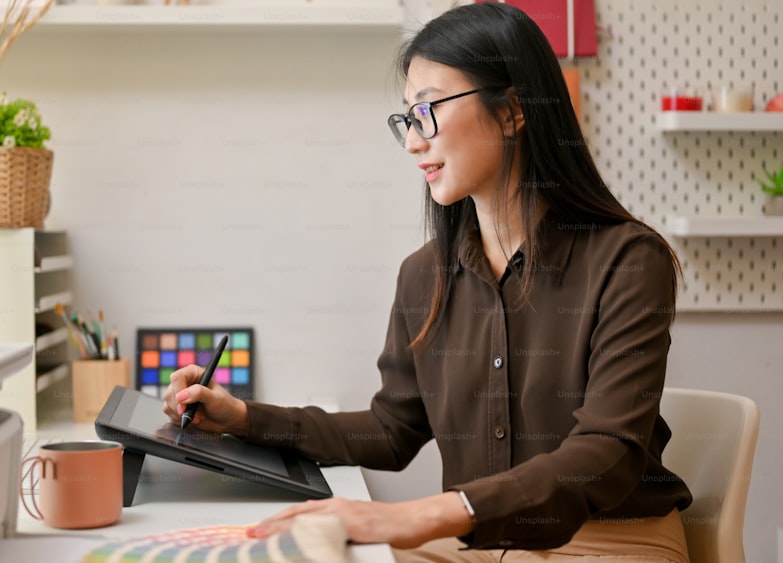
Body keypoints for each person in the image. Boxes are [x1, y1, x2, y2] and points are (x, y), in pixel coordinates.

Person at [163, 3, 693, 561]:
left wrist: (417, 516)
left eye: (428, 110)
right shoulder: (424, 276)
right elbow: (392, 429)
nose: (415, 142)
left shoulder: (629, 261)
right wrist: (244, 418)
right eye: (408, 119)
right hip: (479, 544)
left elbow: (605, 452)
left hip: (608, 541)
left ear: (513, 110)